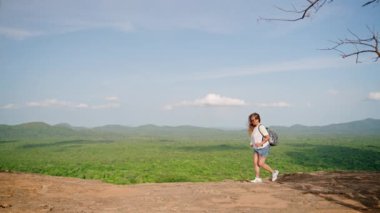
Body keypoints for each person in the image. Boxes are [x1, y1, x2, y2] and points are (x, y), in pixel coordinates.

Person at [248, 112, 279, 183]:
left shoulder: (260, 127)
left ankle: (274, 172)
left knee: (260, 163)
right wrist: (252, 143)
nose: (252, 122)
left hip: (263, 148)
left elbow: (267, 137)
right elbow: (254, 137)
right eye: (251, 120)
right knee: (255, 163)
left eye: (253, 120)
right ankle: (257, 178)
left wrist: (261, 143)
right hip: (256, 148)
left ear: (258, 119)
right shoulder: (255, 128)